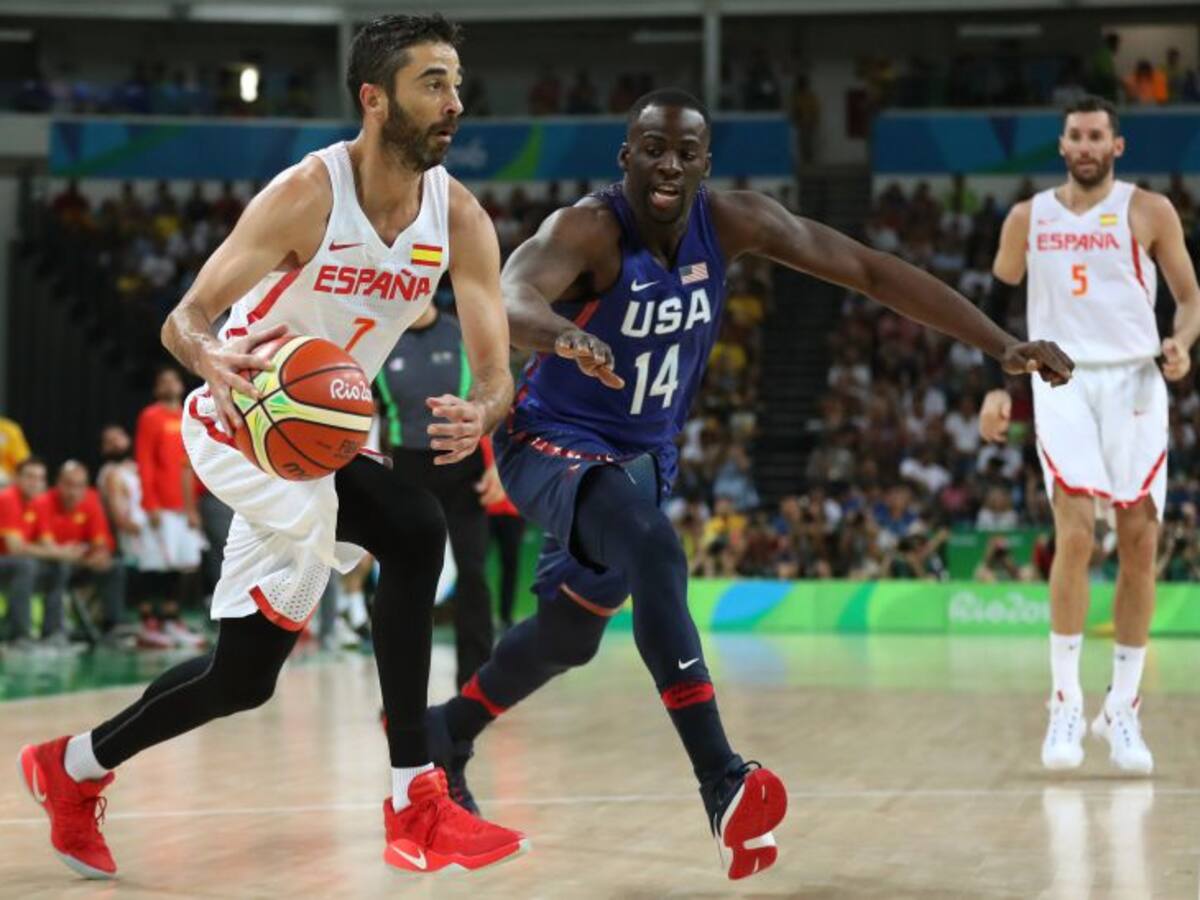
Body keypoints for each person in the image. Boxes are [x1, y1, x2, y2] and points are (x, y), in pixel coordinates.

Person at [423, 88, 1073, 881]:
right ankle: (722, 780)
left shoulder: (734, 222)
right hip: (548, 441)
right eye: (652, 149)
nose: (668, 165)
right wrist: (564, 335)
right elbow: (508, 295)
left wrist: (1000, 345)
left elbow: (870, 270)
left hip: (641, 460)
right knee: (655, 549)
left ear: (706, 163)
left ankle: (443, 733)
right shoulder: (587, 230)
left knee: (570, 637)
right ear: (626, 158)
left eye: (685, 152)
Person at [18, 13, 525, 881]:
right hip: (241, 418)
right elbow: (184, 319)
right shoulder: (308, 193)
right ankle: (416, 797)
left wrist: (484, 410)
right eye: (432, 84)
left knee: (244, 677)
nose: (455, 102)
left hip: (318, 436)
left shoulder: (461, 218)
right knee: (413, 529)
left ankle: (72, 766)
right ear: (375, 99)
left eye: (456, 84)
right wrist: (210, 357)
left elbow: (497, 372)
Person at [978, 96, 1200, 775]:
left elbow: (1190, 299)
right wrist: (994, 386)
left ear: (1116, 146)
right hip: (1061, 380)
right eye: (1075, 135)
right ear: (1062, 145)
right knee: (1074, 533)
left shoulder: (1149, 211)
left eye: (1096, 136)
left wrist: (1182, 344)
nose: (1084, 145)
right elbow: (994, 306)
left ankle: (1122, 707)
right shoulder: (1028, 218)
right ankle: (1065, 701)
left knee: (1139, 539)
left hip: (1135, 382)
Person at [376, 300, 494, 688]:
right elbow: (362, 411)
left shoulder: (459, 332)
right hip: (408, 470)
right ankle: (401, 691)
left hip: (463, 467)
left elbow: (494, 396)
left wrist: (497, 463)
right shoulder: (381, 339)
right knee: (407, 582)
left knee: (473, 574)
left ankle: (476, 687)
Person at [133, 367, 207, 648]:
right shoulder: (151, 416)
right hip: (160, 506)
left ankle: (171, 619)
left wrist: (192, 507)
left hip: (183, 506)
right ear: (156, 389)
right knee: (156, 565)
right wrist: (150, 502)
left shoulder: (188, 417)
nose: (169, 385)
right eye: (163, 381)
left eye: (173, 380)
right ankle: (149, 623)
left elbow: (191, 466)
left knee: (182, 565)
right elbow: (144, 460)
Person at [31, 461, 125, 647]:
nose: (73, 492)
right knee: (59, 568)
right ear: (58, 483)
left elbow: (100, 543)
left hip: (80, 562)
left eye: (79, 486)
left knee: (114, 567)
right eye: (69, 485)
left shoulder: (91, 500)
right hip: (49, 564)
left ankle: (113, 627)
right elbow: (47, 547)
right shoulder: (43, 502)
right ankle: (52, 633)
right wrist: (69, 555)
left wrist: (100, 556)